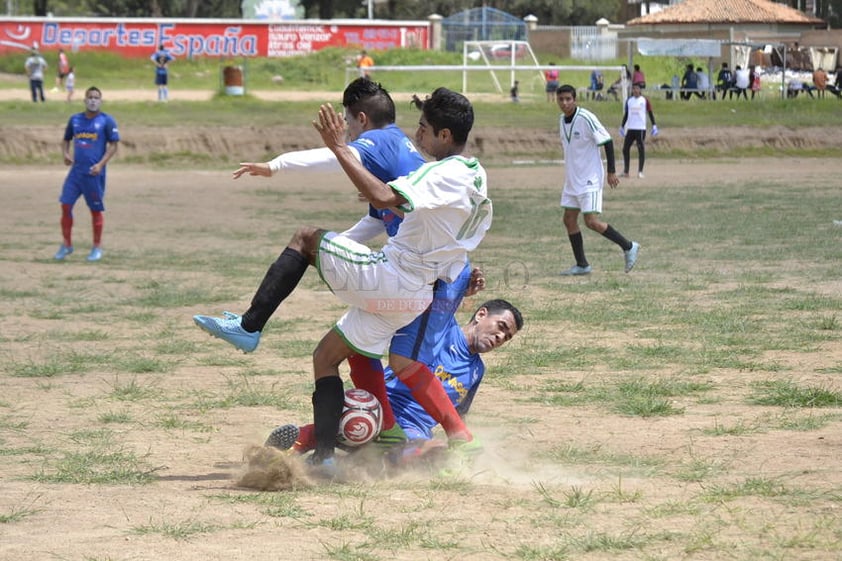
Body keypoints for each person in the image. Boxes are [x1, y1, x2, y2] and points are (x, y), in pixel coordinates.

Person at [197, 87, 491, 472]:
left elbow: (382, 197)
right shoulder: (474, 173)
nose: (415, 134)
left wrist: (336, 147)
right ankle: (329, 458)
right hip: (415, 293)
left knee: (305, 237)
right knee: (329, 355)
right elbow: (392, 213)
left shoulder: (439, 171)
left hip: (392, 279)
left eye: (423, 127)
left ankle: (249, 327)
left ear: (445, 136)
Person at [266, 299, 523, 463]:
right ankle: (291, 446)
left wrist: (457, 448)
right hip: (380, 407)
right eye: (500, 326)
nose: (501, 337)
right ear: (480, 314)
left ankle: (354, 457)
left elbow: (457, 417)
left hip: (413, 433)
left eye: (507, 336)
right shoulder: (440, 330)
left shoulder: (477, 371)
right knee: (361, 420)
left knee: (429, 456)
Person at [555, 84, 639, 276]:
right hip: (572, 180)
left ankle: (628, 246)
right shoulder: (561, 120)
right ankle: (582, 265)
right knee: (569, 220)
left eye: (568, 98)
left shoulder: (586, 118)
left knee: (591, 221)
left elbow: (607, 141)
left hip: (589, 179)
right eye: (561, 99)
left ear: (575, 99)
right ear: (557, 100)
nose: (565, 103)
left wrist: (611, 171)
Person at [54, 86, 120, 262]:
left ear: (101, 101)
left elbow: (113, 146)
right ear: (84, 100)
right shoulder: (75, 120)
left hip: (93, 174)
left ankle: (96, 248)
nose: (93, 100)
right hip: (76, 173)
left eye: (96, 97)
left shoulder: (107, 121)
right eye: (90, 97)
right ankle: (66, 244)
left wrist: (100, 164)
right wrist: (66, 154)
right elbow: (66, 140)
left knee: (95, 210)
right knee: (65, 205)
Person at [620, 83, 658, 179]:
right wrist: (622, 126)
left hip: (640, 128)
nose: (635, 91)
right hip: (631, 128)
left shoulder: (644, 100)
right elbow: (627, 114)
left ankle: (640, 171)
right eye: (634, 89)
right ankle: (626, 171)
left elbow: (650, 113)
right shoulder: (629, 101)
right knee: (625, 149)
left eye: (637, 89)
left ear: (640, 90)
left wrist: (654, 125)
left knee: (640, 148)